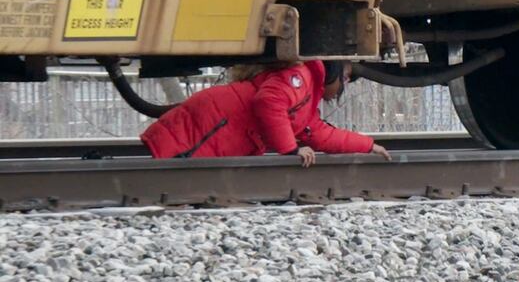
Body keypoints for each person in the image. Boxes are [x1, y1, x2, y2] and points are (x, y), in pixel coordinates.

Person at [140, 60, 391, 166]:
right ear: (333, 69)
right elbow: (269, 102)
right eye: (345, 77)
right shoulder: (301, 78)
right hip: (214, 123)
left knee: (174, 170)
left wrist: (369, 146)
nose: (344, 84)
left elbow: (322, 135)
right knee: (170, 166)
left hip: (221, 125)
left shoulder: (306, 98)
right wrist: (291, 150)